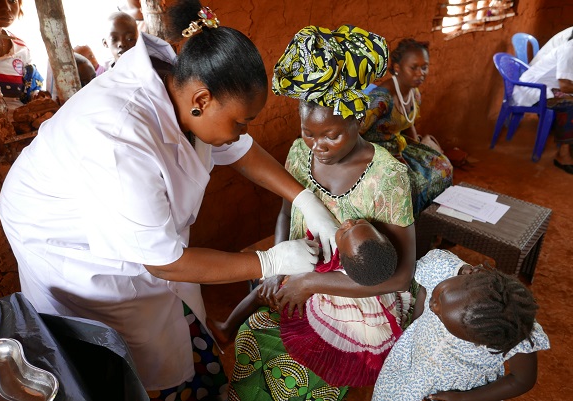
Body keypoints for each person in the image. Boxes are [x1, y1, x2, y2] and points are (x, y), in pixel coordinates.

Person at [0, 1, 340, 399]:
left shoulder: (180, 86)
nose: (242, 131)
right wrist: (270, 260)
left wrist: (304, 199)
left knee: (175, 324)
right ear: (202, 100)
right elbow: (164, 262)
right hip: (69, 245)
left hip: (126, 227)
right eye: (240, 121)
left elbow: (240, 149)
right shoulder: (118, 137)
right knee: (126, 364)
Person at [229, 25, 417, 401]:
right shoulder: (300, 153)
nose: (319, 147)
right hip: (299, 271)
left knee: (295, 374)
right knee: (248, 338)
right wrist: (280, 265)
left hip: (358, 295)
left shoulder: (387, 177)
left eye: (331, 135)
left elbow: (400, 276)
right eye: (309, 134)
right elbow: (286, 214)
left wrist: (311, 284)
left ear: (358, 120)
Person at [372, 249, 550, 401]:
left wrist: (464, 398)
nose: (433, 306)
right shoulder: (441, 268)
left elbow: (521, 380)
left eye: (440, 315)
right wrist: (413, 324)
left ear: (480, 340)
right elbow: (425, 290)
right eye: (438, 296)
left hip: (464, 392)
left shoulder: (514, 334)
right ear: (471, 273)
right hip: (408, 364)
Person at [209, 218, 398, 345]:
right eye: (357, 222)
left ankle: (226, 328)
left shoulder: (328, 255)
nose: (348, 222)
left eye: (347, 231)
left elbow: (301, 268)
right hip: (316, 293)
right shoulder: (365, 263)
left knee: (259, 294)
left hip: (304, 294)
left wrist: (279, 274)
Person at [360, 38, 453, 217]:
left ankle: (435, 221)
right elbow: (356, 132)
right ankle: (413, 228)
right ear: (397, 68)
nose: (421, 73)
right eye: (414, 67)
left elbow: (410, 124)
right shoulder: (381, 99)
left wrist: (420, 146)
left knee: (444, 167)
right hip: (373, 151)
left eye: (424, 67)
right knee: (412, 184)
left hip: (398, 146)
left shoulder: (414, 93)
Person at [512, 38, 573, 174]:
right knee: (569, 105)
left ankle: (567, 140)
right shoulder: (569, 50)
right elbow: (565, 85)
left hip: (550, 88)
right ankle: (563, 156)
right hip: (532, 90)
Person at [0, 0, 45, 117]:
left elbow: (29, 94)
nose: (6, 8)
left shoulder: (21, 49)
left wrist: (40, 101)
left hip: (18, 131)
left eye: (12, 0)